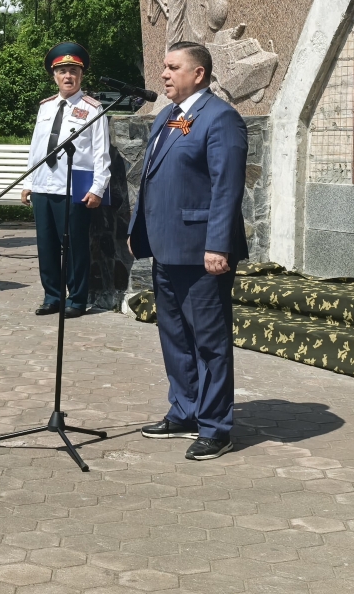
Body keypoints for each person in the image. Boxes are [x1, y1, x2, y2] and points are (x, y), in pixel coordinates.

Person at [127, 41, 248, 460]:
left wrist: (219, 245)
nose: (163, 74)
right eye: (164, 66)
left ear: (198, 74)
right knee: (175, 337)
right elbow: (154, 179)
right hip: (167, 249)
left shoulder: (221, 119)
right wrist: (137, 228)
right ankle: (185, 411)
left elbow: (227, 189)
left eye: (172, 67)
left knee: (209, 343)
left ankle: (216, 428)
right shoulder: (169, 117)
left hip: (202, 254)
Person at [21, 42, 110, 318]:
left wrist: (98, 188)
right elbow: (37, 147)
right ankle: (52, 296)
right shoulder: (46, 107)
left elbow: (101, 151)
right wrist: (28, 183)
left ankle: (77, 298)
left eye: (73, 71)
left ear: (81, 76)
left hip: (73, 187)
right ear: (54, 76)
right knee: (46, 245)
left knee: (74, 247)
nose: (67, 76)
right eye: (62, 72)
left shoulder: (92, 108)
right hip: (44, 185)